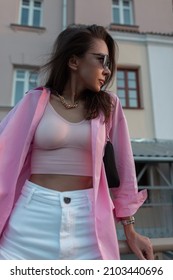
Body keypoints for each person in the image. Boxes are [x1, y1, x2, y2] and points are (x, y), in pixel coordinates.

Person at [0, 24, 154, 260]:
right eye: (101, 60)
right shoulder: (34, 101)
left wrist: (130, 229)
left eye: (109, 63)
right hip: (30, 218)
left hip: (88, 223)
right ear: (74, 61)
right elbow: (3, 157)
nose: (107, 70)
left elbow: (125, 168)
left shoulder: (109, 107)